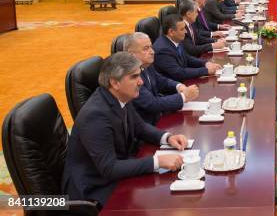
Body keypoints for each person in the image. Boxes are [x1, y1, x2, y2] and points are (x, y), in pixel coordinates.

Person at [62, 52, 188, 205]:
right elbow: (109, 168)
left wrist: (167, 137)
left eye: (139, 75)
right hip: (93, 189)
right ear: (115, 83)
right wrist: (157, 162)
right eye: (134, 77)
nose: (141, 82)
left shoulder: (121, 96)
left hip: (117, 173)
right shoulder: (95, 115)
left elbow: (139, 126)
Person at [125, 32, 199, 125]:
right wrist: (184, 96)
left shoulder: (145, 65)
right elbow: (152, 104)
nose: (152, 52)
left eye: (151, 47)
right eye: (145, 49)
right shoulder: (130, 75)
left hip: (157, 118)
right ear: (131, 54)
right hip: (145, 127)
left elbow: (161, 80)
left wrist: (178, 86)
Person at [153, 14, 222, 81]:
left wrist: (205, 63)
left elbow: (187, 58)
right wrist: (206, 71)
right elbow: (179, 73)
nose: (186, 32)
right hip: (174, 88)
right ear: (171, 32)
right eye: (182, 29)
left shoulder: (175, 39)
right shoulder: (163, 50)